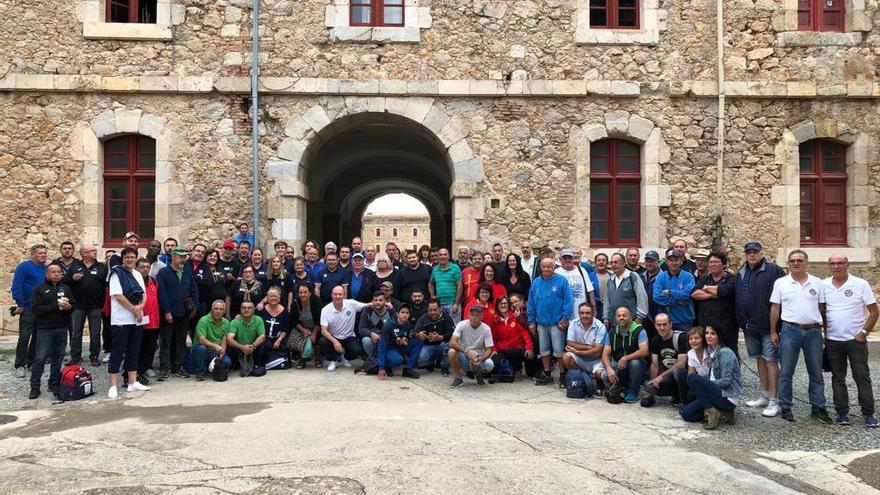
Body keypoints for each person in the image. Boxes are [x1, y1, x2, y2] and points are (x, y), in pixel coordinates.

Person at [769, 249, 831, 424]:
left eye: (799, 260)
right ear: (788, 264)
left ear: (806, 263)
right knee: (787, 371)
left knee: (816, 372)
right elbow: (775, 309)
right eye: (792, 261)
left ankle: (818, 407)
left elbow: (822, 308)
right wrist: (773, 331)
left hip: (813, 332)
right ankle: (786, 406)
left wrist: (824, 331)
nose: (796, 263)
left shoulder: (817, 282)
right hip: (790, 330)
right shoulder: (781, 283)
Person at [822, 254, 879, 427]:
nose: (836, 267)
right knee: (837, 377)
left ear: (847, 265)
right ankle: (842, 413)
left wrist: (863, 333)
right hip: (833, 340)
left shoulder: (860, 284)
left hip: (855, 341)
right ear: (829, 266)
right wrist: (824, 333)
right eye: (833, 263)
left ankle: (868, 413)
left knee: (862, 376)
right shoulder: (824, 285)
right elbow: (822, 310)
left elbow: (874, 311)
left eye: (840, 263)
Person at [735, 241, 786, 418]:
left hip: (768, 326)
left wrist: (776, 327)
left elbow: (781, 298)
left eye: (755, 252)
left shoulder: (774, 270)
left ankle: (775, 400)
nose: (752, 255)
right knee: (759, 360)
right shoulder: (742, 272)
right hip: (749, 326)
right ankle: (764, 395)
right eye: (749, 252)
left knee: (771, 360)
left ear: (761, 253)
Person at [107, 247, 150, 398]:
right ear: (123, 258)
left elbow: (143, 294)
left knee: (134, 350)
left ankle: (132, 382)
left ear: (136, 258)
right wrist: (134, 309)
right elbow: (118, 296)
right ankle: (112, 385)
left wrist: (141, 308)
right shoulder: (116, 274)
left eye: (132, 257)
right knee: (118, 351)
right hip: (121, 319)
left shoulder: (138, 274)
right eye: (127, 257)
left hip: (136, 319)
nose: (130, 259)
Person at [27, 264, 75, 399]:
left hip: (61, 328)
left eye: (59, 272)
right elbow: (36, 309)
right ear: (47, 274)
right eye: (53, 272)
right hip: (45, 329)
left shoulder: (65, 288)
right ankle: (35, 387)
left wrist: (69, 307)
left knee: (58, 357)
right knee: (40, 358)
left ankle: (53, 383)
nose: (57, 274)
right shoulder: (39, 289)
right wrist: (56, 305)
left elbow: (74, 306)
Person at [680, 326, 741, 429]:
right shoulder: (712, 351)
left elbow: (726, 381)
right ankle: (721, 412)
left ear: (719, 336)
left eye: (713, 333)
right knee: (686, 414)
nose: (709, 336)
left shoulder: (725, 352)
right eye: (707, 333)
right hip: (715, 394)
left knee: (693, 378)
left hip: (727, 396)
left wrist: (705, 383)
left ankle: (713, 410)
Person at [527, 258, 574, 386]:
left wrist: (565, 318)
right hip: (541, 322)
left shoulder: (561, 281)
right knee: (544, 351)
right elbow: (531, 303)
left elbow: (568, 301)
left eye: (549, 267)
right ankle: (547, 374)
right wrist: (531, 321)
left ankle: (562, 375)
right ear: (541, 268)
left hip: (557, 323)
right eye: (544, 267)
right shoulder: (536, 282)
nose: (546, 269)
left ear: (554, 267)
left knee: (559, 351)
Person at [157, 247, 199, 380]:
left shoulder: (187, 272)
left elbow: (194, 289)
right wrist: (167, 311)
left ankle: (178, 366)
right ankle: (164, 367)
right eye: (181, 257)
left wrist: (194, 307)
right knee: (166, 342)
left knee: (181, 341)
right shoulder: (163, 273)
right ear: (173, 257)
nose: (183, 260)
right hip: (169, 314)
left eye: (185, 257)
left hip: (184, 313)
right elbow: (161, 294)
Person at [65, 244, 107, 367]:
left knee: (95, 333)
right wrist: (73, 278)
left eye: (95, 250)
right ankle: (75, 357)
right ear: (84, 254)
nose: (95, 252)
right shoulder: (75, 266)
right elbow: (65, 281)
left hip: (96, 306)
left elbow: (106, 285)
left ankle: (94, 356)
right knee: (76, 333)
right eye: (92, 251)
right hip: (78, 306)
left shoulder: (101, 267)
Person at [11, 244, 48, 378]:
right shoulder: (24, 267)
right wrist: (20, 304)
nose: (43, 255)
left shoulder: (46, 269)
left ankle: (32, 362)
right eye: (40, 253)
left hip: (42, 310)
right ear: (33, 254)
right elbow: (17, 286)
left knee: (38, 338)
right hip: (27, 308)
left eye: (44, 253)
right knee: (25, 337)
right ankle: (20, 365)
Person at [598, 307, 649, 403]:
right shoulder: (612, 332)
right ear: (616, 318)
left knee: (635, 363)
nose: (621, 318)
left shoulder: (639, 330)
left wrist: (626, 358)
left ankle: (633, 392)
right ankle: (621, 388)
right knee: (605, 374)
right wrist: (609, 369)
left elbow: (644, 351)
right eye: (619, 316)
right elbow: (605, 354)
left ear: (630, 317)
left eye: (624, 315)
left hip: (637, 366)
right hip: (619, 365)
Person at [691, 251, 738, 354]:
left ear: (724, 264)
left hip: (727, 327)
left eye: (716, 262)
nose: (713, 264)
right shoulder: (704, 279)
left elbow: (727, 291)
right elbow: (694, 294)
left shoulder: (731, 279)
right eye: (711, 262)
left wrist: (705, 288)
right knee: (707, 357)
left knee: (729, 356)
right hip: (706, 326)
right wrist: (715, 294)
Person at [641, 313, 689, 407]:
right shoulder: (655, 340)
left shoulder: (681, 337)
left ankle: (684, 400)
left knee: (678, 372)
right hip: (669, 376)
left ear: (670, 324)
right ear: (655, 325)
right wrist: (653, 384)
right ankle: (673, 395)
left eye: (665, 324)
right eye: (659, 325)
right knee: (648, 387)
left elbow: (681, 364)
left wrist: (660, 377)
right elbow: (654, 365)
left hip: (685, 376)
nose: (662, 328)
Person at [319, 286, 369, 370]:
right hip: (333, 336)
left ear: (344, 295)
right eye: (335, 294)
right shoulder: (325, 309)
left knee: (357, 350)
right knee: (322, 341)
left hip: (348, 336)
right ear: (331, 295)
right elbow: (323, 331)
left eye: (340, 294)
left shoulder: (351, 304)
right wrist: (335, 342)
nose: (338, 296)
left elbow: (366, 305)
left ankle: (344, 357)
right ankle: (333, 360)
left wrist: (384, 303)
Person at [448, 305, 496, 388]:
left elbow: (489, 350)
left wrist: (481, 358)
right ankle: (458, 378)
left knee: (490, 365)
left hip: (478, 357)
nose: (474, 318)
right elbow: (452, 343)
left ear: (481, 317)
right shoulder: (462, 324)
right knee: (451, 352)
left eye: (477, 315)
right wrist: (466, 351)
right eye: (472, 315)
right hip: (463, 355)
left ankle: (478, 372)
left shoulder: (486, 329)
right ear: (469, 315)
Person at [560, 303, 606, 383]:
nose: (584, 316)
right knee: (566, 357)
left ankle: (595, 379)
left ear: (593, 313)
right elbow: (570, 343)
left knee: (601, 375)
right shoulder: (574, 323)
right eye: (582, 313)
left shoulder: (600, 326)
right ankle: (581, 377)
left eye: (588, 313)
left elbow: (597, 352)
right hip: (580, 359)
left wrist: (577, 351)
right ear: (578, 314)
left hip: (596, 361)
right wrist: (588, 347)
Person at [490, 296, 533, 381]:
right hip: (502, 349)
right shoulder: (495, 320)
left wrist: (529, 347)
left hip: (518, 349)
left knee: (512, 352)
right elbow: (492, 337)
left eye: (505, 303)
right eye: (501, 304)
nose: (503, 305)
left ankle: (518, 369)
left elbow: (525, 334)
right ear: (497, 306)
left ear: (508, 305)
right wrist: (493, 349)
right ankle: (507, 369)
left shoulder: (515, 317)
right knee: (494, 363)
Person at [653, 249, 695, 333]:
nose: (673, 263)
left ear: (681, 261)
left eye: (676, 260)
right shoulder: (660, 277)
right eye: (670, 260)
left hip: (684, 321)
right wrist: (677, 301)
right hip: (665, 322)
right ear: (666, 262)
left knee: (685, 345)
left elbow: (686, 295)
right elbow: (656, 297)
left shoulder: (688, 277)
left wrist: (670, 292)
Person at [376, 304, 423, 380]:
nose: (405, 315)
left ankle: (408, 369)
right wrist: (381, 367)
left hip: (400, 347)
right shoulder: (388, 326)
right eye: (402, 312)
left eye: (407, 313)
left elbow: (406, 336)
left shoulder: (407, 324)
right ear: (397, 314)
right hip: (389, 349)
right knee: (398, 360)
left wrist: (404, 339)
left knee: (418, 342)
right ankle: (386, 366)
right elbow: (382, 347)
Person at [602, 252, 648, 329]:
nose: (613, 265)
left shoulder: (632, 277)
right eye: (612, 262)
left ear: (623, 263)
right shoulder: (610, 280)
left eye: (616, 262)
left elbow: (641, 296)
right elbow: (607, 300)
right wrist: (606, 318)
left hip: (631, 323)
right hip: (614, 323)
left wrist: (640, 317)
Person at [193, 300, 232, 381]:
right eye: (216, 308)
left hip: (215, 351)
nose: (218, 311)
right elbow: (202, 340)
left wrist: (222, 351)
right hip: (203, 348)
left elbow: (224, 339)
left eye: (221, 309)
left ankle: (209, 368)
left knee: (227, 362)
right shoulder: (204, 320)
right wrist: (215, 345)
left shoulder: (226, 322)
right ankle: (200, 372)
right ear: (212, 309)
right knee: (202, 348)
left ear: (224, 311)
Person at [135, 258, 160, 385]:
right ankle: (136, 372)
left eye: (147, 267)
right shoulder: (133, 281)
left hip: (153, 320)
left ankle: (146, 368)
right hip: (138, 320)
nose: (145, 269)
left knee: (150, 347)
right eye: (142, 267)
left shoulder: (153, 281)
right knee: (137, 347)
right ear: (136, 268)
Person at [415, 298, 454, 375]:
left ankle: (444, 367)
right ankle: (431, 362)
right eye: (430, 310)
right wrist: (419, 335)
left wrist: (440, 337)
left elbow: (452, 334)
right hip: (428, 345)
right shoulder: (423, 318)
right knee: (421, 360)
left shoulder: (447, 318)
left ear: (440, 309)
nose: (433, 312)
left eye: (435, 310)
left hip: (442, 344)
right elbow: (414, 332)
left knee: (448, 345)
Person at [227, 301, 266, 375]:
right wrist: (242, 347)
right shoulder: (234, 322)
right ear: (240, 310)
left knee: (263, 345)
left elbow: (262, 336)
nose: (246, 310)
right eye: (244, 308)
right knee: (230, 347)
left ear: (253, 310)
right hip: (239, 348)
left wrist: (253, 346)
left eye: (249, 308)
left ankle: (257, 364)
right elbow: (229, 339)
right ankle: (236, 366)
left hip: (253, 348)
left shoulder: (258, 320)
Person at [256, 287, 291, 362]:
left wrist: (279, 339)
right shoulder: (261, 309)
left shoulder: (285, 311)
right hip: (265, 338)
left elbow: (286, 328)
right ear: (267, 298)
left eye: (275, 296)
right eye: (271, 296)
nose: (273, 298)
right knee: (264, 346)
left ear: (279, 297)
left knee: (284, 346)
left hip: (279, 338)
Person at [358, 291, 395, 358]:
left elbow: (395, 328)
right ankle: (372, 358)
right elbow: (361, 329)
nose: (378, 302)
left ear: (385, 301)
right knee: (366, 340)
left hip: (387, 340)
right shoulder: (367, 311)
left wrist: (383, 336)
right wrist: (371, 334)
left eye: (380, 300)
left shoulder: (390, 311)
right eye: (376, 300)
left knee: (395, 361)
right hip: (373, 339)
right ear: (373, 301)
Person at [294, 284, 324, 368]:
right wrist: (303, 330)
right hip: (302, 327)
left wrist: (314, 333)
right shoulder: (296, 302)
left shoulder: (316, 301)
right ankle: (302, 360)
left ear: (310, 293)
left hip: (316, 327)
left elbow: (320, 319)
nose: (303, 295)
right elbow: (293, 320)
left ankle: (318, 359)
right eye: (301, 292)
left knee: (317, 339)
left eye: (305, 292)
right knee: (301, 337)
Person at [429, 248, 462, 321]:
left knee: (454, 328)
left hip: (453, 304)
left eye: (445, 254)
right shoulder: (435, 269)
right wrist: (432, 295)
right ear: (438, 257)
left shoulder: (455, 268)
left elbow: (460, 286)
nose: (442, 256)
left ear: (449, 256)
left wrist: (456, 303)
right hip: (439, 305)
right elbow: (431, 283)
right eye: (440, 255)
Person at [186, 243, 212, 324]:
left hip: (200, 303)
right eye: (198, 251)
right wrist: (198, 279)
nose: (200, 253)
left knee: (198, 329)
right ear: (192, 252)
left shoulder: (206, 268)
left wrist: (193, 279)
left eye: (203, 252)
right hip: (185, 302)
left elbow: (208, 283)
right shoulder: (184, 264)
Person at [641, 250, 662, 340]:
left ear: (658, 262)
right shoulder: (640, 276)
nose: (649, 263)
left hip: (658, 315)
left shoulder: (664, 276)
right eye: (647, 261)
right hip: (643, 317)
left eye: (652, 261)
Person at [593, 253, 609, 322]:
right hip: (595, 308)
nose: (601, 262)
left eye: (603, 260)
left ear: (607, 263)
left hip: (609, 308)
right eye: (599, 260)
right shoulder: (589, 276)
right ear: (595, 263)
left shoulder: (612, 276)